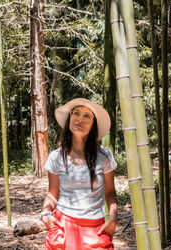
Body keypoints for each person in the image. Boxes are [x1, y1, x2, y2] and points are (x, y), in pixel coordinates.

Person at [40, 98, 118, 250]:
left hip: (95, 227)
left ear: (93, 125)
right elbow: (53, 193)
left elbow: (110, 192)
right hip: (63, 225)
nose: (80, 119)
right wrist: (45, 212)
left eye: (87, 116)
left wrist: (114, 217)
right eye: (76, 113)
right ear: (70, 118)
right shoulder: (56, 157)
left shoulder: (104, 156)